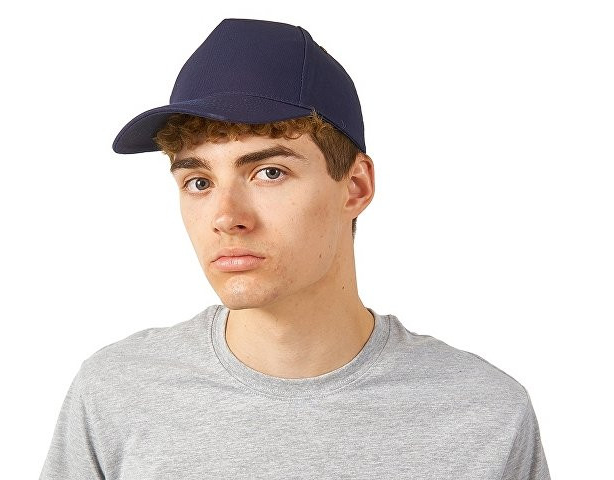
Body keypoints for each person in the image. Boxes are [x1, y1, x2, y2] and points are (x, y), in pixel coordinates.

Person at [39, 18, 551, 479]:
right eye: (199, 182)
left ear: (355, 187)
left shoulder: (485, 415)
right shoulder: (117, 395)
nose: (226, 217)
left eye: (269, 172)